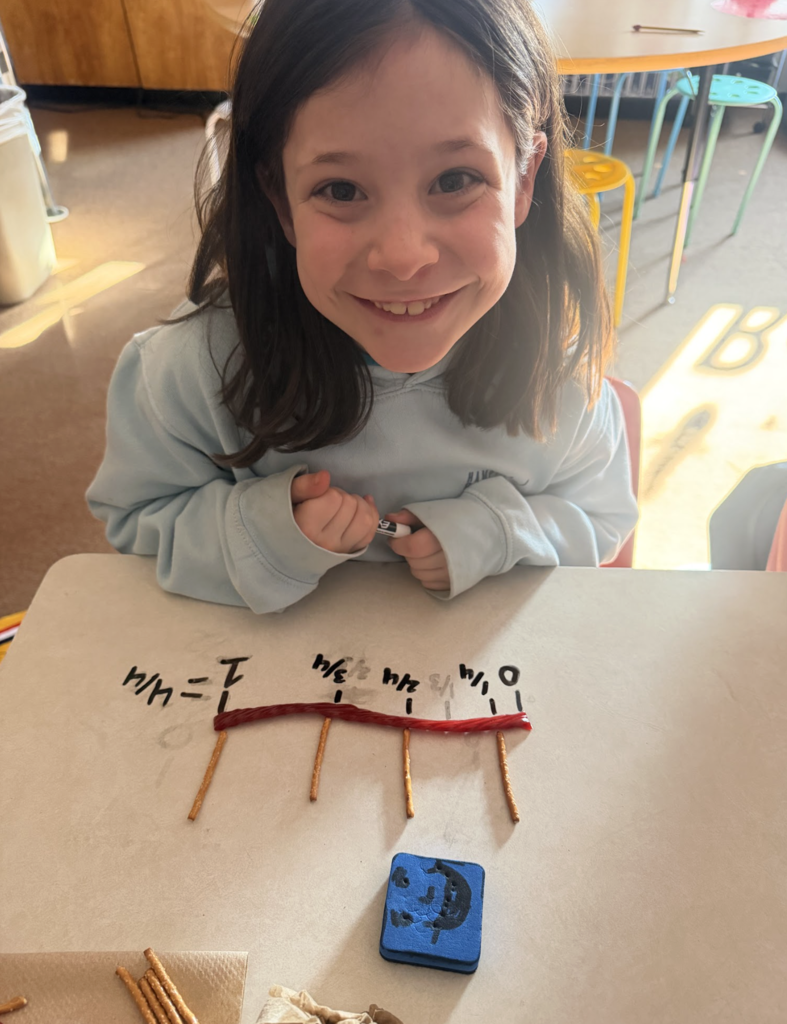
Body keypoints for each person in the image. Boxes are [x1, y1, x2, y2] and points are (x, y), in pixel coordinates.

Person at [87, 0, 638, 614]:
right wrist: (264, 532)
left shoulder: (559, 373)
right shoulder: (187, 373)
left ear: (524, 179)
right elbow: (138, 523)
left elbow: (600, 517)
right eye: (341, 190)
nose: (403, 257)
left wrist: (498, 532)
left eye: (455, 180)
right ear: (279, 197)